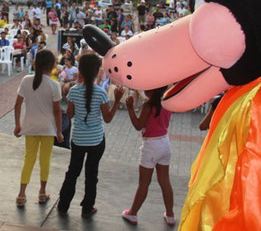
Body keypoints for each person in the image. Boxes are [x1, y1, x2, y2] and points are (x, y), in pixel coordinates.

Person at [57, 53, 125, 217]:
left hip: (78, 140)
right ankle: (87, 207)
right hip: (96, 141)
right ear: (96, 72)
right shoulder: (101, 93)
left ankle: (63, 205)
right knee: (91, 174)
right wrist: (116, 101)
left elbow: (71, 115)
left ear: (80, 70)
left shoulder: (73, 91)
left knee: (72, 172)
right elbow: (107, 119)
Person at [13, 50, 63, 207]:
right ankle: (42, 192)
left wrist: (18, 125)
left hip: (30, 128)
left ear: (35, 63)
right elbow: (57, 112)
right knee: (44, 160)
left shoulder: (26, 80)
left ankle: (21, 194)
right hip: (48, 129)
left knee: (29, 160)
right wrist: (59, 131)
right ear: (52, 65)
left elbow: (17, 105)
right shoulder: (54, 85)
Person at [121, 86, 175, 226]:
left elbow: (138, 125)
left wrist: (130, 108)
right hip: (165, 143)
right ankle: (170, 215)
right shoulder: (167, 103)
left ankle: (132, 213)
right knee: (165, 180)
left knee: (144, 183)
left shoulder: (148, 106)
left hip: (151, 146)